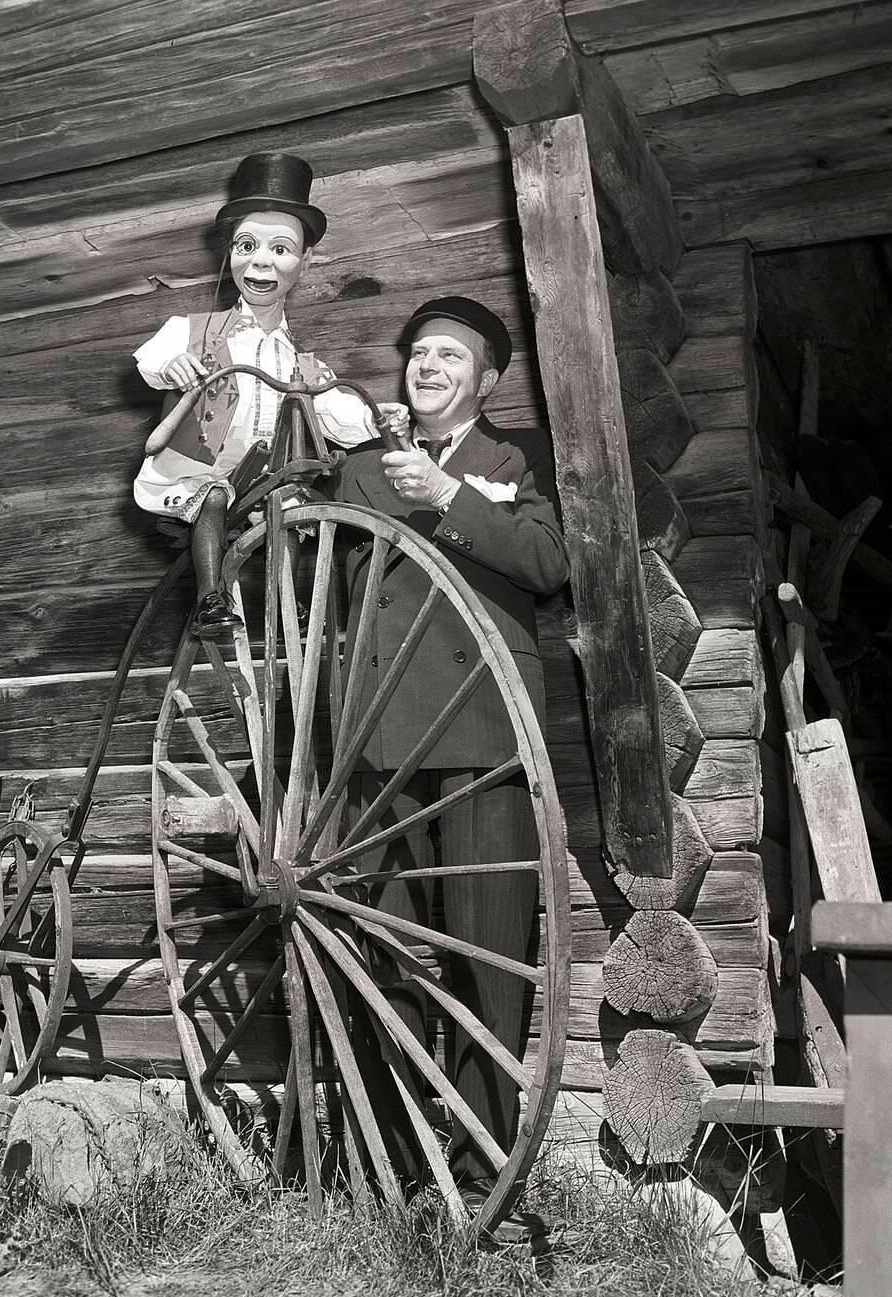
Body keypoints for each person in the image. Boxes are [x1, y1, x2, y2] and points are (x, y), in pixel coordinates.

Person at [334, 296, 569, 1209]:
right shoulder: (361, 468)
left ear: (488, 378)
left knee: (485, 951)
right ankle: (388, 1160)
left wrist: (453, 500)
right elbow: (333, 585)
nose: (429, 367)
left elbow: (551, 564)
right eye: (420, 353)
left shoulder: (518, 461)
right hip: (382, 741)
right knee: (380, 945)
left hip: (483, 734)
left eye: (450, 356)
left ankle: (479, 1172)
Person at [132, 152, 398, 637]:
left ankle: (287, 603)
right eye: (246, 245)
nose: (260, 262)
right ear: (229, 254)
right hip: (192, 472)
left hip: (261, 478)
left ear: (305, 260)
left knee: (290, 505)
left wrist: (381, 418)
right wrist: (173, 367)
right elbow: (151, 363)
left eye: (281, 249)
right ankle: (211, 600)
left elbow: (342, 413)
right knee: (213, 497)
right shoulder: (190, 331)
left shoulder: (302, 362)